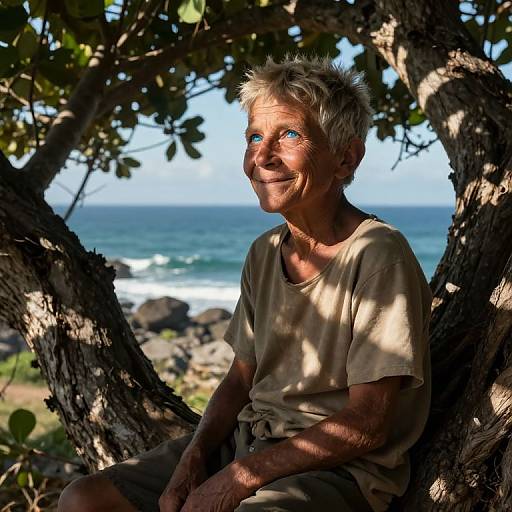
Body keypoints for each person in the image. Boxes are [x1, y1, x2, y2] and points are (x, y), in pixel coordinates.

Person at [58, 55, 432, 512]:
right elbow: (241, 377)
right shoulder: (264, 251)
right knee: (84, 499)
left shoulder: (377, 255)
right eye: (255, 136)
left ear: (345, 157)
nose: (262, 156)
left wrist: (238, 478)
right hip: (249, 442)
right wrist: (194, 457)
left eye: (289, 135)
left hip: (336, 472)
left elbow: (366, 424)